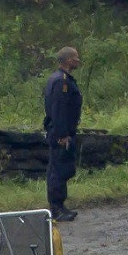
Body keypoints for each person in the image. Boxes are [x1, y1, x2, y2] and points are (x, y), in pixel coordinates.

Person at [43, 46, 83, 222]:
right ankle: (56, 208)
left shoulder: (61, 79)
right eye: (75, 57)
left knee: (62, 168)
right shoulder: (62, 82)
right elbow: (59, 110)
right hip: (60, 133)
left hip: (62, 131)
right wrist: (62, 134)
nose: (78, 60)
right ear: (68, 60)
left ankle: (60, 205)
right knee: (58, 170)